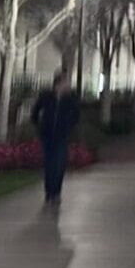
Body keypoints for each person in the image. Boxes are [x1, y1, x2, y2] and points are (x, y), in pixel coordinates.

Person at [32, 71, 81, 207]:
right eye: (65, 83)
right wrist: (39, 126)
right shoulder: (46, 97)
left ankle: (56, 192)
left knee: (59, 164)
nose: (67, 85)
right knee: (49, 164)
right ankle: (49, 192)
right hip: (48, 135)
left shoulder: (70, 98)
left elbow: (77, 114)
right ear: (58, 84)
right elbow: (35, 111)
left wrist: (69, 125)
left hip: (62, 135)